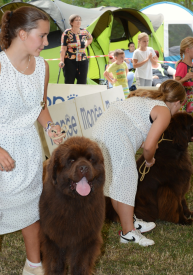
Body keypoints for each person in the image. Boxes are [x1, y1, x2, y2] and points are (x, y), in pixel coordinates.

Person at [0, 6, 65, 275]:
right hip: (2, 149)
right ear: (22, 33)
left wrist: (50, 127)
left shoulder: (43, 67)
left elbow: (40, 105)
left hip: (29, 149)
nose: (47, 42)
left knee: (31, 210)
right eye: (43, 36)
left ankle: (34, 265)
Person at [91, 80, 186, 246]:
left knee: (116, 182)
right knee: (127, 180)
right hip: (114, 134)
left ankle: (130, 222)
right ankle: (128, 233)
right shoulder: (164, 112)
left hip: (100, 131)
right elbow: (149, 147)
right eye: (181, 106)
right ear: (177, 103)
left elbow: (146, 136)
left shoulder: (149, 99)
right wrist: (149, 160)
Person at [59, 14, 93, 84]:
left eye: (80, 20)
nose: (79, 22)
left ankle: (81, 95)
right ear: (71, 23)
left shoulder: (84, 31)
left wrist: (85, 45)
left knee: (82, 82)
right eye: (76, 20)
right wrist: (61, 61)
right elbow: (63, 48)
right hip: (70, 61)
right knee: (69, 82)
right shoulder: (66, 33)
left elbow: (90, 38)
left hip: (83, 60)